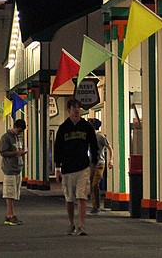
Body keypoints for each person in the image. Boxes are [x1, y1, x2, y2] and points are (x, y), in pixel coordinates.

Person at [54, 98, 98, 236]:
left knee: (82, 196)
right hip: (67, 169)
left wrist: (93, 162)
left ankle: (82, 225)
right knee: (69, 198)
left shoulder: (86, 127)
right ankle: (71, 223)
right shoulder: (63, 128)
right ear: (69, 111)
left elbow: (94, 145)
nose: (76, 111)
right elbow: (58, 148)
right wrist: (58, 168)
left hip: (83, 167)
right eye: (73, 109)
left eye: (78, 108)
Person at [0, 118, 27, 225]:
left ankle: (10, 214)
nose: (19, 133)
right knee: (9, 193)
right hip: (9, 168)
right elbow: (2, 152)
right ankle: (10, 215)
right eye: (18, 131)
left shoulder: (19, 137)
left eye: (21, 131)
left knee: (14, 193)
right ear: (14, 127)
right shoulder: (6, 137)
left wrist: (21, 153)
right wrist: (16, 153)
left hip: (17, 167)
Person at [88, 118, 113, 214]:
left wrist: (111, 160)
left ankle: (96, 206)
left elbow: (110, 148)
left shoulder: (100, 136)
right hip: (91, 164)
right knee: (92, 185)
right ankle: (94, 205)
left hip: (100, 164)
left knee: (95, 184)